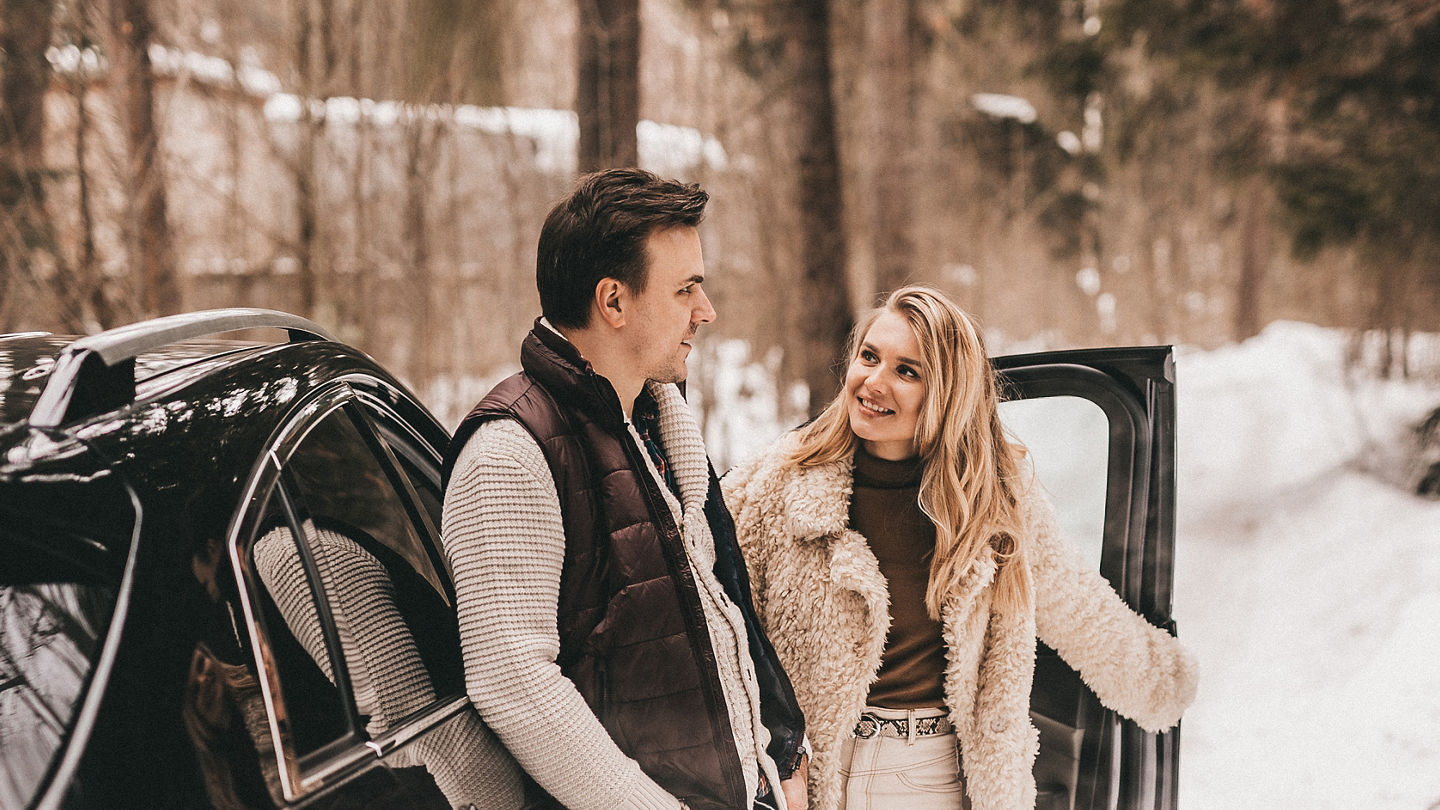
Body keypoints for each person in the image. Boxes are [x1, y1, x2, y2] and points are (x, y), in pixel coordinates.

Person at [722, 285, 1198, 810]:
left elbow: (1077, 605)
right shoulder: (776, 483)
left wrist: (1164, 684)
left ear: (947, 393)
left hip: (930, 776)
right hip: (804, 775)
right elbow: (716, 621)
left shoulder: (995, 500)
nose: (874, 382)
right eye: (869, 357)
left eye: (907, 371)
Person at [440, 168, 808, 810]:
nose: (706, 311)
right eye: (685, 289)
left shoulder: (656, 426)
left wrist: (776, 762)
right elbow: (514, 682)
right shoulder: (510, 453)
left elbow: (721, 617)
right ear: (613, 302)